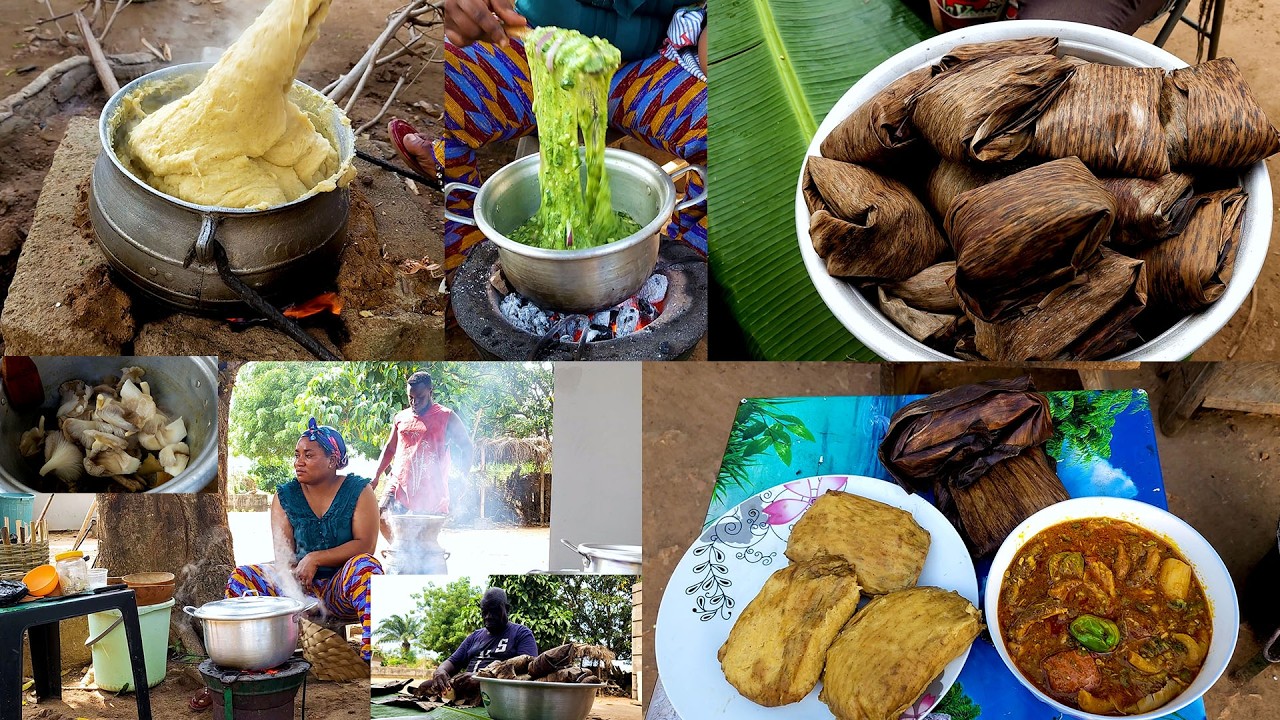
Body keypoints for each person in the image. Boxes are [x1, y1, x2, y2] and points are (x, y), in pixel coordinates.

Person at [390, 0, 708, 281]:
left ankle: (679, 273)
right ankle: (472, 279)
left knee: (733, 139)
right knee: (453, 85)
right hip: (532, 45)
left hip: (652, 64)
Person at [226, 419, 383, 661]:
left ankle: (371, 656)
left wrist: (316, 558)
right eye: (297, 454)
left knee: (366, 567)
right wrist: (296, 587)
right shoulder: (285, 496)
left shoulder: (359, 491)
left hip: (341, 590)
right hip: (297, 590)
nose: (298, 462)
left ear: (332, 460)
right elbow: (283, 556)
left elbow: (365, 545)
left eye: (308, 455)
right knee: (242, 576)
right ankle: (245, 654)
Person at [373, 371, 474, 541]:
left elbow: (467, 447)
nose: (414, 402)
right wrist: (375, 477)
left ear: (430, 391)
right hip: (398, 484)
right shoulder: (401, 417)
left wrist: (463, 477)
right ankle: (400, 550)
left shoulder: (446, 416)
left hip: (430, 490)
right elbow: (390, 448)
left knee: (424, 541)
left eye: (419, 397)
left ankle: (417, 558)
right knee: (382, 516)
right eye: (410, 397)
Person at [424, 588, 539, 696]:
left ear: (507, 609)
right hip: (463, 692)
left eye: (494, 611)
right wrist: (440, 670)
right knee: (425, 687)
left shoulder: (521, 633)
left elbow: (529, 669)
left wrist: (481, 679)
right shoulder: (474, 636)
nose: (488, 616)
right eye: (484, 612)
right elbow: (453, 662)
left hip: (497, 695)